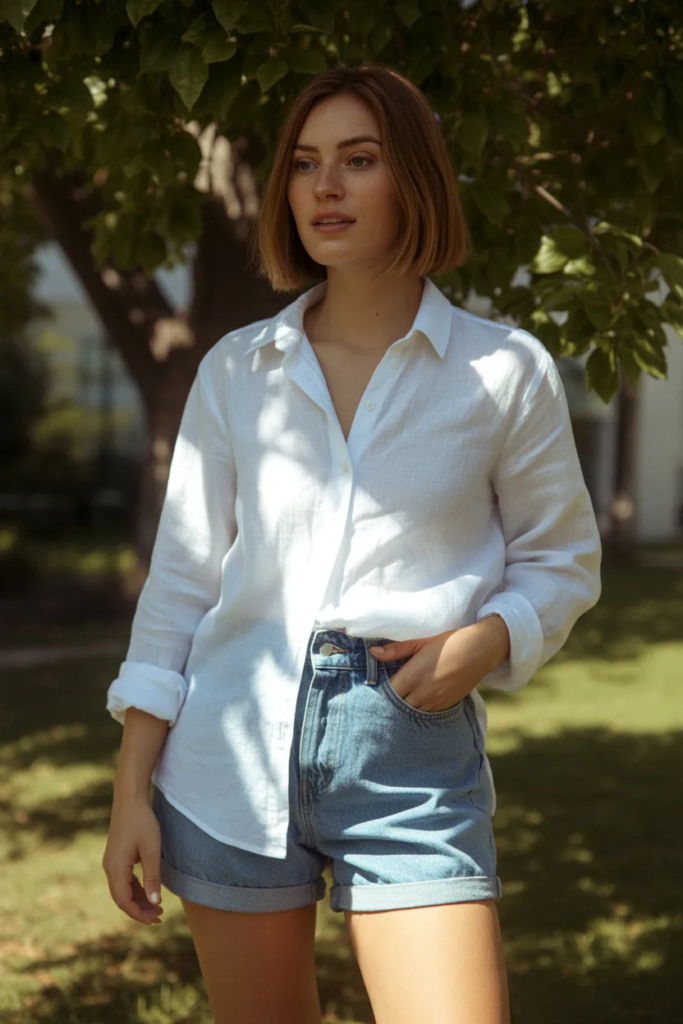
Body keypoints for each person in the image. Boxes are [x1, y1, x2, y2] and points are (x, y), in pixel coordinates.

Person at [102, 62, 602, 1024]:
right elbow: (180, 589)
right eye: (303, 163)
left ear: (413, 176)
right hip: (224, 758)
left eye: (358, 160)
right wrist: (131, 792)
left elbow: (561, 559)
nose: (324, 187)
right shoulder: (237, 370)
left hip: (410, 749)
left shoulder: (504, 371)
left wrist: (484, 642)